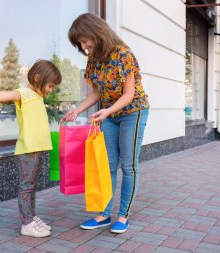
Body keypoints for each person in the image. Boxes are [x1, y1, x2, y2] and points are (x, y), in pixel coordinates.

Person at [62, 13, 149, 234]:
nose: (83, 46)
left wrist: (108, 110)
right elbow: (97, 93)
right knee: (107, 166)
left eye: (84, 40)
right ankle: (103, 214)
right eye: (80, 43)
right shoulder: (93, 60)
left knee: (128, 166)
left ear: (96, 32)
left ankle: (123, 215)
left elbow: (129, 94)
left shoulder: (123, 54)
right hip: (109, 114)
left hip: (133, 111)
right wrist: (77, 110)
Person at [0, 59, 62, 238]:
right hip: (28, 149)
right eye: (50, 86)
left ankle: (31, 216)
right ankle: (26, 223)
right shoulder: (25, 93)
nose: (50, 90)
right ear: (38, 78)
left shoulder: (37, 96)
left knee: (31, 186)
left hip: (36, 148)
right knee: (26, 187)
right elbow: (7, 94)